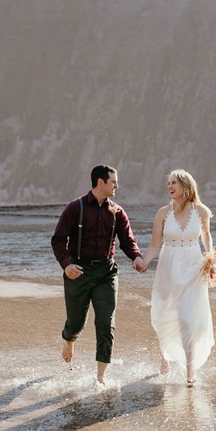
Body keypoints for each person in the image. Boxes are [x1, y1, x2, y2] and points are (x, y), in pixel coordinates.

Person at [51, 164, 146, 385]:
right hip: (78, 271)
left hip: (106, 272)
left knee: (106, 322)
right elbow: (58, 240)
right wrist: (66, 265)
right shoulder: (75, 208)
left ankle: (101, 376)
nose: (117, 186)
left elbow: (128, 241)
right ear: (100, 182)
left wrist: (137, 258)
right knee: (76, 323)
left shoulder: (117, 211)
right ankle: (69, 339)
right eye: (114, 182)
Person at [141, 169, 215, 386]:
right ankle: (165, 355)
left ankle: (190, 370)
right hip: (168, 265)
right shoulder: (163, 213)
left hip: (193, 266)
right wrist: (143, 262)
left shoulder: (201, 211)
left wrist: (210, 258)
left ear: (186, 186)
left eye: (174, 183)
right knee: (165, 312)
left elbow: (206, 236)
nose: (170, 187)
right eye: (169, 183)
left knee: (187, 317)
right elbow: (155, 244)